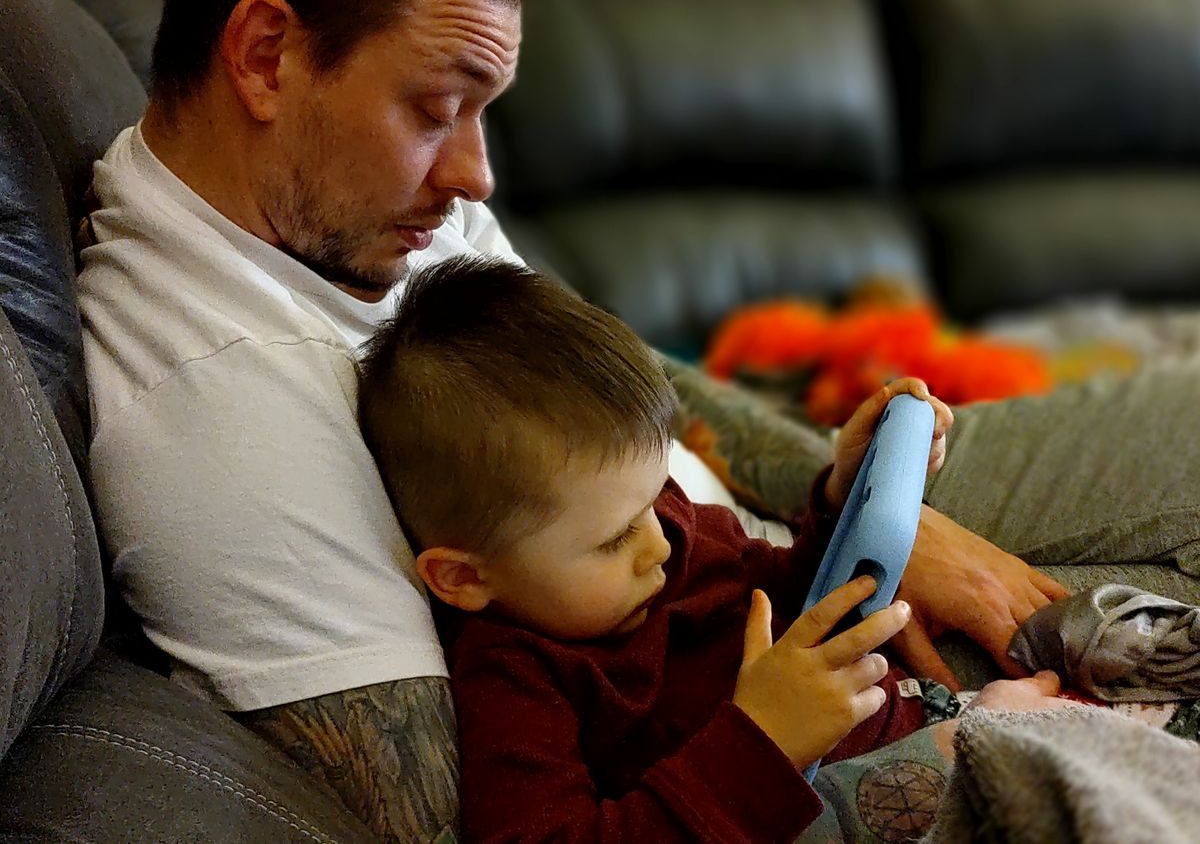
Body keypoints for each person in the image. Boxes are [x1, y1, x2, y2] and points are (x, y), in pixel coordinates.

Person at [77, 0, 1200, 839]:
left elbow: (635, 380)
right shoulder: (220, 420)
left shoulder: (365, 215)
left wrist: (849, 497)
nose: (477, 176)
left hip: (792, 562)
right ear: (266, 55)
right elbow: (463, 819)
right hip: (790, 718)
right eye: (435, 106)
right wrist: (903, 736)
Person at [355, 256, 1071, 842]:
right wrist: (760, 740)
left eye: (655, 496)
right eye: (613, 539)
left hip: (917, 719)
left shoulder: (665, 527)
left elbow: (784, 592)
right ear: (463, 577)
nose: (658, 543)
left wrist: (844, 498)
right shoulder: (517, 681)